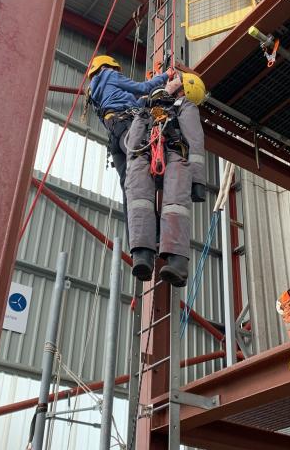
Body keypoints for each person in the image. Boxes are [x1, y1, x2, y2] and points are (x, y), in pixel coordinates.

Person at [125, 72, 207, 286]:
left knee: (175, 203)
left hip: (174, 152)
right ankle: (142, 255)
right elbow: (133, 139)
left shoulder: (184, 106)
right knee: (138, 199)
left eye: (175, 80)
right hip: (146, 151)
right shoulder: (147, 109)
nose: (170, 81)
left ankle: (177, 262)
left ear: (184, 89)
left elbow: (195, 141)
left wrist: (198, 181)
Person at [86, 55, 177, 224]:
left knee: (128, 186)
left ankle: (135, 238)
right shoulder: (110, 74)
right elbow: (143, 88)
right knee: (146, 165)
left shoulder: (94, 92)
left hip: (115, 138)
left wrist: (149, 91)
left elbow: (133, 103)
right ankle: (155, 227)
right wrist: (165, 75)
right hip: (126, 126)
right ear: (109, 66)